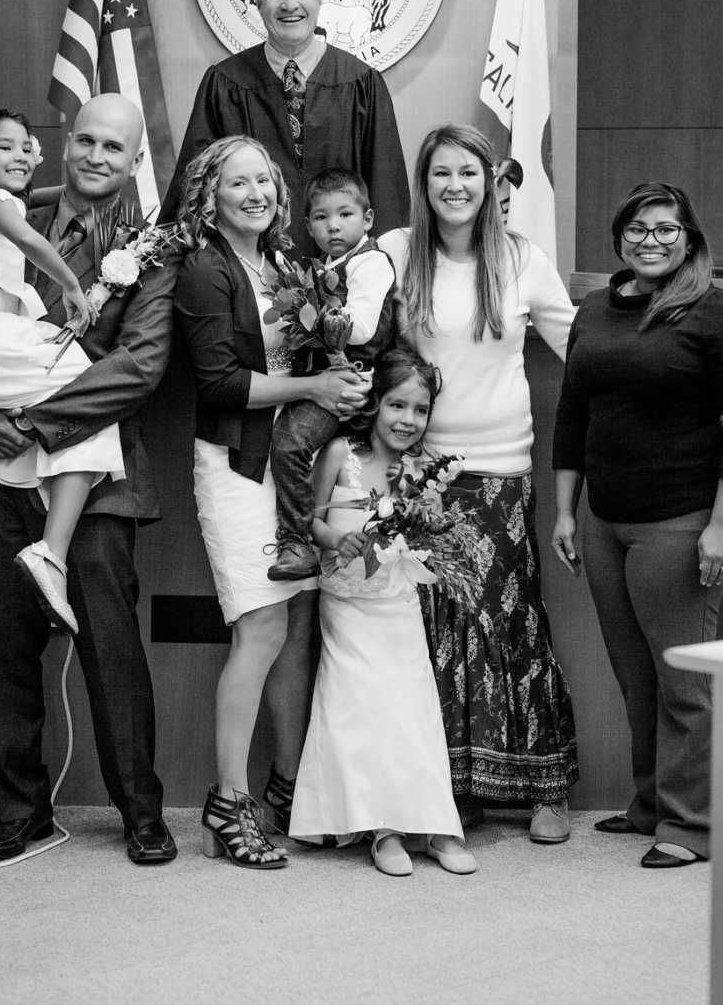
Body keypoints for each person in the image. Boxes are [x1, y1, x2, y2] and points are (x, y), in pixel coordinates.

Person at [0, 93, 180, 867]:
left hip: (91, 473)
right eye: (86, 140)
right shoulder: (3, 207)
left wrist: (37, 425)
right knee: (2, 644)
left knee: (112, 647)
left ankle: (140, 809)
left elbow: (138, 365)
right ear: (64, 142)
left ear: (133, 159)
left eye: (116, 147)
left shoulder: (151, 247)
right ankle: (22, 811)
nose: (97, 156)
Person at [551, 182, 723, 868]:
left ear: (690, 238)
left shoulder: (718, 312)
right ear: (619, 237)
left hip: (680, 522)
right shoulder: (594, 309)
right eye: (639, 229)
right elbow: (572, 416)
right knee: (635, 673)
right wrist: (563, 508)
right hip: (603, 521)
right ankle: (651, 803)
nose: (652, 240)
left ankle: (691, 824)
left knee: (682, 680)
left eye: (667, 230)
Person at [378, 123, 579, 844]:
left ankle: (543, 787)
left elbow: (580, 349)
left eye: (467, 172)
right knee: (439, 637)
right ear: (423, 185)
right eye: (440, 175)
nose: (454, 186)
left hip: (502, 474)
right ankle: (452, 786)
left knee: (512, 627)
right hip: (424, 477)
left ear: (490, 182)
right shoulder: (398, 254)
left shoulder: (522, 259)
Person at [174, 135, 368, 869]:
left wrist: (341, 379)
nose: (256, 192)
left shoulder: (285, 264)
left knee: (292, 626)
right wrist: (313, 389)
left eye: (264, 180)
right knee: (258, 629)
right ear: (209, 195)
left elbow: (311, 350)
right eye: (238, 182)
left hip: (294, 464)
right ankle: (228, 801)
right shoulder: (204, 267)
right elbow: (219, 383)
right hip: (237, 465)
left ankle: (287, 787)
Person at [0, 107, 125, 635]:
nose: (21, 156)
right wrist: (76, 289)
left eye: (26, 147)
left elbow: (47, 196)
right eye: (5, 146)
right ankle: (50, 554)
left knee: (14, 388)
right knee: (88, 395)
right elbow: (33, 240)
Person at [289, 348, 477, 877]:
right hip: (347, 601)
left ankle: (437, 826)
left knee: (411, 706)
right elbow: (311, 521)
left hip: (395, 600)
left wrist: (426, 526)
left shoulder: (420, 470)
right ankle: (382, 829)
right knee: (360, 704)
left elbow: (427, 529)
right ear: (375, 404)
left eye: (420, 411)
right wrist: (338, 540)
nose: (408, 420)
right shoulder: (339, 454)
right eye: (398, 405)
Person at [168, 0, 409, 252]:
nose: (290, 4)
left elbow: (386, 190)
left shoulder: (362, 84)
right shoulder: (225, 84)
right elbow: (194, 190)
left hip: (348, 277)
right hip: (248, 273)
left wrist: (385, 274)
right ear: (257, 1)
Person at [267, 166, 396, 581]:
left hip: (355, 383)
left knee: (289, 442)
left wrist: (306, 311)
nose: (333, 226)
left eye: (345, 214)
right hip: (327, 380)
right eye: (321, 218)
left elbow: (359, 328)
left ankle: (296, 541)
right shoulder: (325, 266)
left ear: (368, 219)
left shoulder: (370, 263)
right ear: (308, 224)